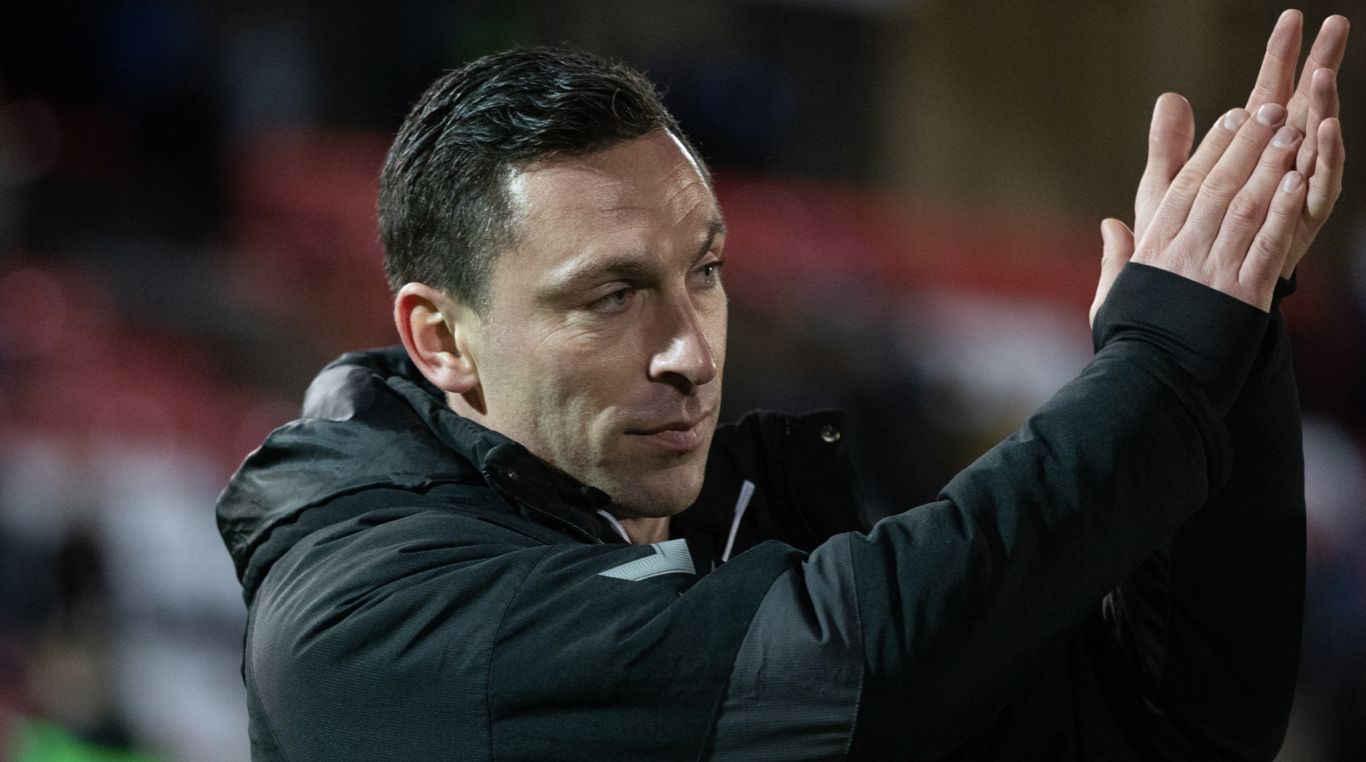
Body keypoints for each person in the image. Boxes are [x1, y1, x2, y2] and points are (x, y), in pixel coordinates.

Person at [216, 9, 1348, 760]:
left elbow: (1169, 733)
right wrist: (1163, 359)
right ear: (440, 339)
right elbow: (851, 658)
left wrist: (1233, 328)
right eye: (611, 295)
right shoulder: (370, 625)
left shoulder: (729, 521)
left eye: (703, 273)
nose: (690, 350)